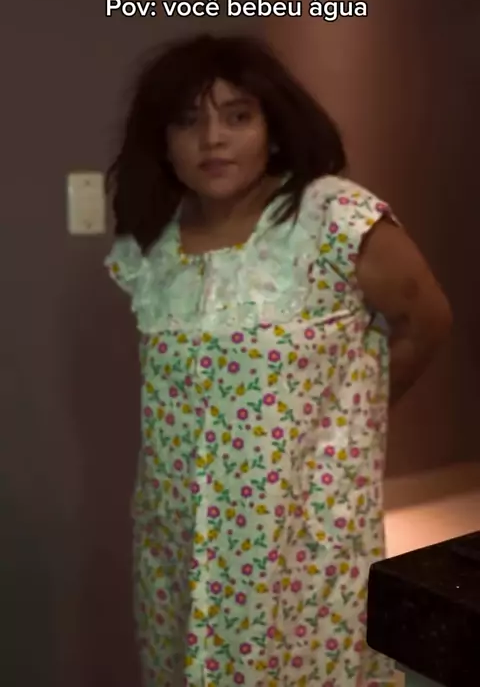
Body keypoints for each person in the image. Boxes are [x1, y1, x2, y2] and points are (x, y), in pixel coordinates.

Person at [105, 33, 452, 687]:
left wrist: (354, 420)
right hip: (177, 535)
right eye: (188, 120)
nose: (212, 138)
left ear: (273, 127)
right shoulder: (153, 246)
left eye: (237, 116)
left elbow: (426, 321)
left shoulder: (333, 218)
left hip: (300, 538)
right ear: (162, 140)